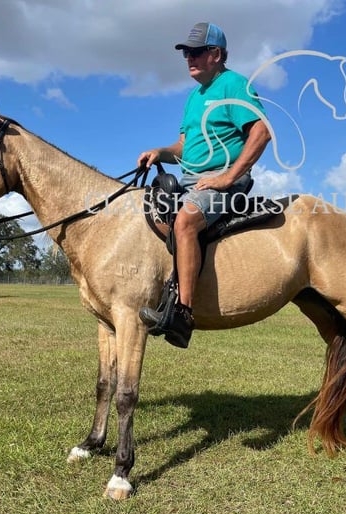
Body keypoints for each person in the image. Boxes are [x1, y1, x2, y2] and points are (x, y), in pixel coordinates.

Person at [138, 22, 271, 348]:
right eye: (186, 53)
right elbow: (183, 147)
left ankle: (183, 314)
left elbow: (262, 132)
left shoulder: (234, 85)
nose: (189, 59)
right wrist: (160, 152)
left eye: (195, 52)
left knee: (184, 221)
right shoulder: (194, 97)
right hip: (190, 181)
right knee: (151, 211)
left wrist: (228, 177)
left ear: (215, 53)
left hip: (225, 182)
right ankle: (169, 287)